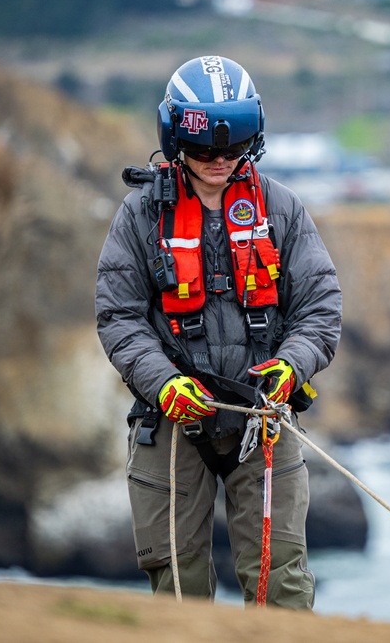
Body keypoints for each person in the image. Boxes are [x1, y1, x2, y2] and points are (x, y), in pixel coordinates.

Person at [95, 55, 341, 609]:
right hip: (172, 421)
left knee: (283, 584)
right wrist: (163, 384)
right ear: (176, 138)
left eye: (233, 148)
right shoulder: (139, 217)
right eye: (205, 148)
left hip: (264, 420)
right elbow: (119, 317)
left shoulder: (282, 210)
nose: (219, 160)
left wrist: (293, 365)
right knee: (177, 587)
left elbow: (320, 306)